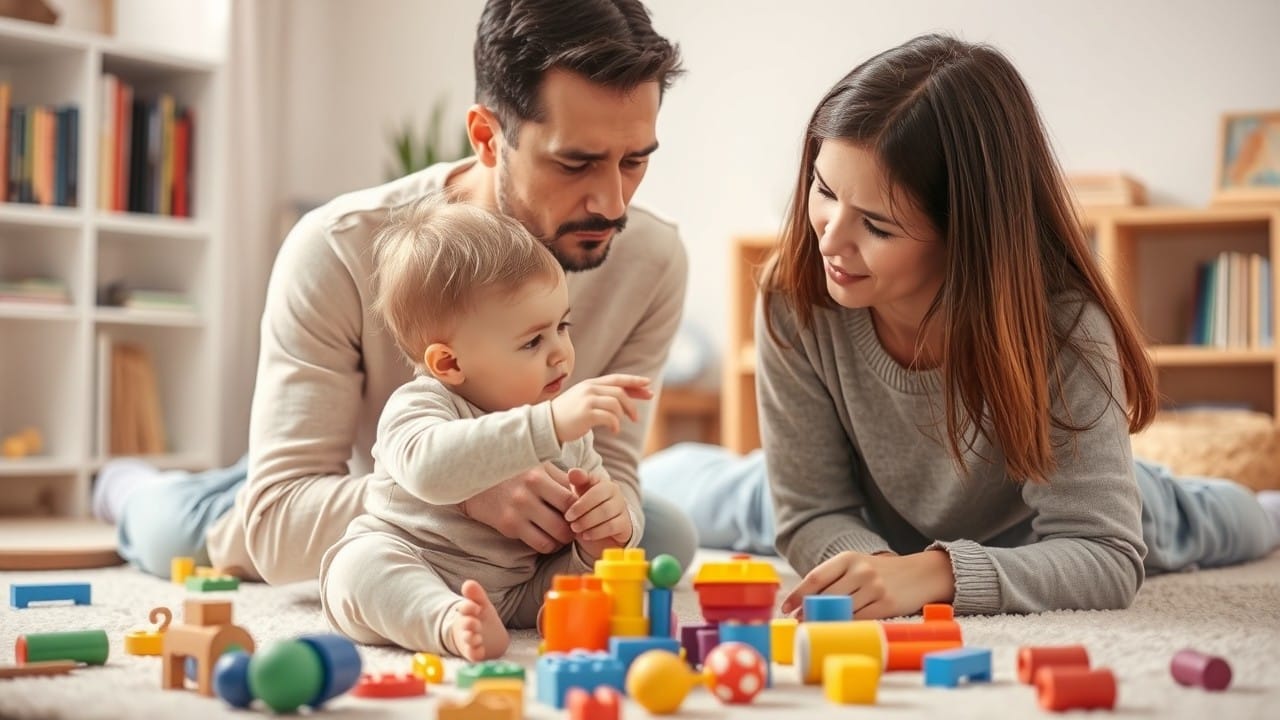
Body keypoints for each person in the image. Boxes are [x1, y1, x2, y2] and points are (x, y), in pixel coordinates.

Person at [642, 33, 1280, 619]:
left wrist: (934, 574)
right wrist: (880, 570)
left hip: (1039, 523)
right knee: (680, 487)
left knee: (1239, 518)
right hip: (875, 502)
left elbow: (1104, 555)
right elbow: (811, 509)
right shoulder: (795, 293)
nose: (829, 237)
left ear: (965, 238)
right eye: (824, 188)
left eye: (877, 225)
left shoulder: (1062, 329)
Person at [94, 0, 698, 586]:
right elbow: (278, 527)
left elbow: (616, 472)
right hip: (378, 488)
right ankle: (133, 489)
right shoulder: (338, 248)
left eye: (634, 162)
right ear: (487, 137)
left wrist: (607, 521)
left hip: (491, 511)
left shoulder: (652, 260)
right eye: (575, 163)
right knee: (189, 534)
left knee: (663, 535)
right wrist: (465, 486)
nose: (613, 204)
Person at [321, 195, 648, 658]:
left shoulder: (563, 426)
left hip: (515, 591)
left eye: (563, 325)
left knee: (599, 583)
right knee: (356, 568)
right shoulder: (421, 403)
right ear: (449, 363)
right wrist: (548, 424)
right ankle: (447, 622)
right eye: (533, 340)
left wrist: (607, 531)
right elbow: (431, 470)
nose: (561, 353)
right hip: (412, 560)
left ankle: (481, 617)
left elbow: (600, 509)